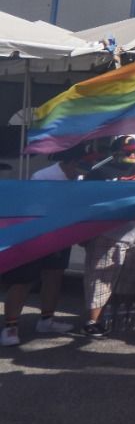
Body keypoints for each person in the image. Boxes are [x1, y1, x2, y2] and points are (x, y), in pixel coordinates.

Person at [81, 135, 135, 337]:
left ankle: (125, 310)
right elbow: (85, 201)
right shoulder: (99, 173)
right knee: (101, 278)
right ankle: (92, 320)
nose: (133, 154)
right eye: (128, 151)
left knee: (131, 275)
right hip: (109, 233)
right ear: (115, 153)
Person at [1, 147, 88, 346]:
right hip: (37, 235)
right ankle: (10, 328)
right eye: (79, 166)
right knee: (23, 281)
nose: (81, 171)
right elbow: (31, 207)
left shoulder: (80, 180)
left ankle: (46, 321)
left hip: (60, 236)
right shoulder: (43, 176)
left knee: (54, 276)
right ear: (70, 163)